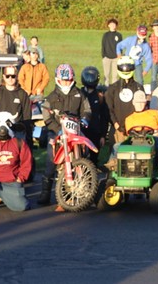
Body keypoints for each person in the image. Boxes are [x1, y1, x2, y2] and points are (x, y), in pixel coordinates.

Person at [40, 65, 93, 209]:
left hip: (76, 131)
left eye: (69, 80)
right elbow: (46, 116)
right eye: (63, 80)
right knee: (52, 159)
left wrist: (84, 120)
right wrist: (57, 129)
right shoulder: (51, 97)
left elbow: (87, 110)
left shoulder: (80, 94)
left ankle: (85, 190)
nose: (66, 83)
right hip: (57, 132)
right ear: (58, 80)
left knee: (85, 154)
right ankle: (45, 192)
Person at [106, 57, 146, 144]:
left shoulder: (139, 87)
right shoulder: (113, 88)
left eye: (129, 67)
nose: (126, 70)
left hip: (135, 130)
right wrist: (116, 124)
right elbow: (109, 108)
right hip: (117, 128)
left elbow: (143, 108)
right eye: (123, 67)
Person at [0, 66, 33, 142]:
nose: (10, 78)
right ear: (3, 76)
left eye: (13, 76)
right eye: (7, 76)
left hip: (18, 132)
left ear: (17, 76)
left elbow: (27, 116)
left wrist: (28, 134)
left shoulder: (22, 94)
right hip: (2, 131)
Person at [78, 66, 111, 151]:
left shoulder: (100, 97)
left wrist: (103, 136)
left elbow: (104, 117)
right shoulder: (79, 94)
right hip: (81, 131)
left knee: (94, 158)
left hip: (96, 133)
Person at [100, 19, 123, 84]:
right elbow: (103, 45)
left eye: (114, 24)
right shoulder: (105, 35)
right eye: (111, 24)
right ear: (108, 25)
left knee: (115, 76)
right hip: (107, 58)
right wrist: (104, 56)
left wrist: (119, 56)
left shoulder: (119, 35)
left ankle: (114, 90)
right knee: (106, 76)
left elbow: (121, 46)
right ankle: (106, 89)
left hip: (116, 58)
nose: (113, 25)